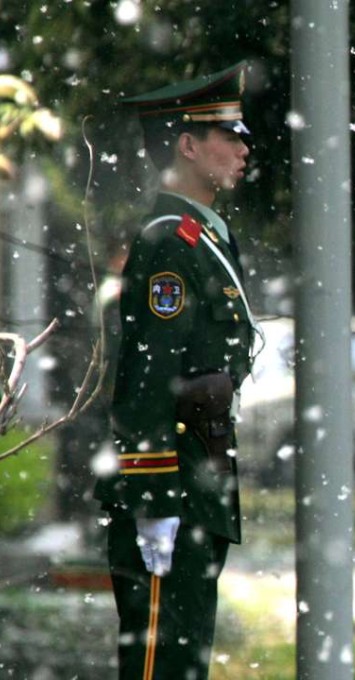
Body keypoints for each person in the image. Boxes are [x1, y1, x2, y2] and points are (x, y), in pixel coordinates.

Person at [93, 61, 259, 680]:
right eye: (230, 136)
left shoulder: (202, 236)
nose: (244, 149)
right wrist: (154, 499)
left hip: (198, 480)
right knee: (159, 664)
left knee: (182, 660)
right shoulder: (169, 242)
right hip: (172, 487)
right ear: (188, 146)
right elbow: (148, 380)